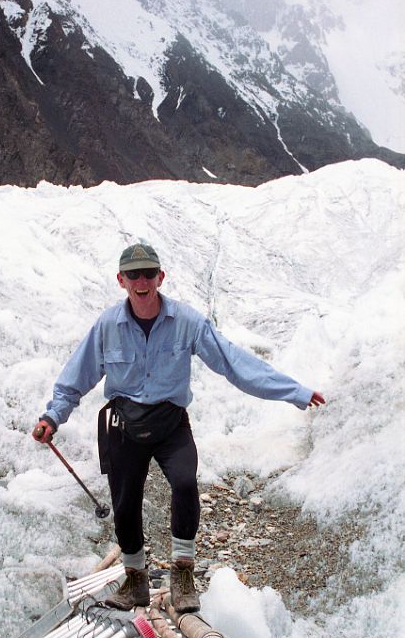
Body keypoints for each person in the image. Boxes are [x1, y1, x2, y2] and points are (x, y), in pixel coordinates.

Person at [33, 243, 325, 614]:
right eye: (134, 275)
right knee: (125, 504)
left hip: (171, 424)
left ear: (161, 277)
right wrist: (52, 417)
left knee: (186, 483)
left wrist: (295, 392)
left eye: (148, 273)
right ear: (121, 280)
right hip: (124, 425)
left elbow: (234, 363)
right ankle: (135, 580)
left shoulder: (187, 322)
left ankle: (183, 575)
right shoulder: (107, 326)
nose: (142, 281)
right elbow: (78, 376)